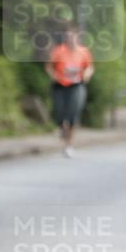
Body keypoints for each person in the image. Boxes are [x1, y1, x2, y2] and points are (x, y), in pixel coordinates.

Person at [44, 22, 94, 157]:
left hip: (76, 86)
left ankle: (69, 145)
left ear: (77, 37)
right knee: (60, 114)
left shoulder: (83, 52)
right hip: (60, 86)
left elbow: (89, 67)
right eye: (67, 36)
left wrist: (87, 74)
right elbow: (49, 66)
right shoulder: (58, 51)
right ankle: (62, 129)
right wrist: (53, 76)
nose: (69, 39)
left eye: (72, 36)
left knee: (73, 115)